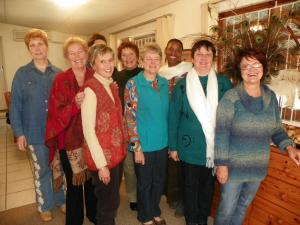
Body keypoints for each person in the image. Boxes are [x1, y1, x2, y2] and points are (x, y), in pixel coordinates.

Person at [214, 48, 300, 225]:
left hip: (257, 166)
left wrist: (290, 147)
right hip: (233, 168)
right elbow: (221, 134)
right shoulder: (230, 98)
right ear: (240, 70)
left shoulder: (270, 96)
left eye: (256, 65)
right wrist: (221, 165)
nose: (251, 70)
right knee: (226, 210)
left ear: (263, 68)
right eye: (246, 66)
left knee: (243, 206)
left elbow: (276, 129)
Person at [168, 39, 232, 225]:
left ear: (213, 58)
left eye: (208, 54)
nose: (203, 58)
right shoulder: (182, 85)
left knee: (207, 189)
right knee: (189, 188)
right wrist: (173, 147)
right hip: (188, 147)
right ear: (192, 58)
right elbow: (173, 117)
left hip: (213, 148)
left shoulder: (223, 83)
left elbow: (230, 114)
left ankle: (202, 220)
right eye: (199, 54)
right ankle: (191, 221)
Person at [9, 28, 65, 222]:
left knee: (59, 168)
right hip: (34, 134)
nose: (37, 48)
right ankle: (45, 205)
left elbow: (65, 104)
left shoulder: (58, 73)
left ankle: (60, 199)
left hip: (57, 134)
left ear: (47, 46)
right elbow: (15, 106)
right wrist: (19, 133)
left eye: (40, 44)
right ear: (28, 49)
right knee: (42, 171)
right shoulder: (22, 74)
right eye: (32, 45)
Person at [45, 37, 97, 225]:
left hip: (92, 139)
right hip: (68, 140)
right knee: (74, 185)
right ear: (66, 57)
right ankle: (74, 221)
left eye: (80, 51)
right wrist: (74, 105)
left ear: (86, 53)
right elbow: (55, 111)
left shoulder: (95, 75)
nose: (77, 56)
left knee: (92, 181)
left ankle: (94, 214)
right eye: (72, 53)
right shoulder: (60, 79)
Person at [81, 44, 127, 225]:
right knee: (107, 206)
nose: (108, 65)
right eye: (102, 61)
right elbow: (88, 132)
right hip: (103, 159)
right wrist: (101, 166)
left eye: (110, 60)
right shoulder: (90, 89)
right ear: (93, 65)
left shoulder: (110, 85)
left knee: (111, 201)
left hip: (116, 154)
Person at [124, 43, 169, 225]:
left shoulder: (165, 83)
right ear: (142, 61)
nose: (152, 62)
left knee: (158, 181)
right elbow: (129, 118)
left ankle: (154, 210)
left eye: (156, 59)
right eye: (148, 59)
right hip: (143, 144)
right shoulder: (133, 84)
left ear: (161, 62)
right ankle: (145, 216)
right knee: (144, 183)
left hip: (162, 142)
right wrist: (137, 148)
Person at [159, 38, 192, 217]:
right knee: (169, 164)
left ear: (182, 53)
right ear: (165, 50)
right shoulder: (160, 72)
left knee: (181, 163)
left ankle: (182, 200)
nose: (173, 51)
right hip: (164, 122)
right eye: (170, 48)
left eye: (178, 49)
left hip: (183, 122)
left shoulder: (189, 70)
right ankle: (172, 197)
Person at [113, 41, 142, 211]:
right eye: (124, 55)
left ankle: (145, 193)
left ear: (137, 56)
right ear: (120, 59)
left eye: (131, 54)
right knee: (130, 166)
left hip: (143, 127)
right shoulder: (116, 77)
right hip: (125, 128)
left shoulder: (145, 73)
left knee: (144, 165)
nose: (128, 58)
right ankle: (133, 196)